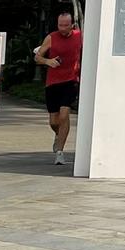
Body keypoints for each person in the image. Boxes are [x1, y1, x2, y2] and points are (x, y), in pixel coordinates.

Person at [33, 10, 82, 165]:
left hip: (71, 80)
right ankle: (58, 135)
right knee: (54, 121)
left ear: (72, 25)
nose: (62, 28)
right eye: (60, 25)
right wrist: (48, 61)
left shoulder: (79, 36)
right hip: (53, 82)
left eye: (66, 25)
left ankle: (60, 152)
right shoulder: (51, 37)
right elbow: (37, 57)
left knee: (64, 115)